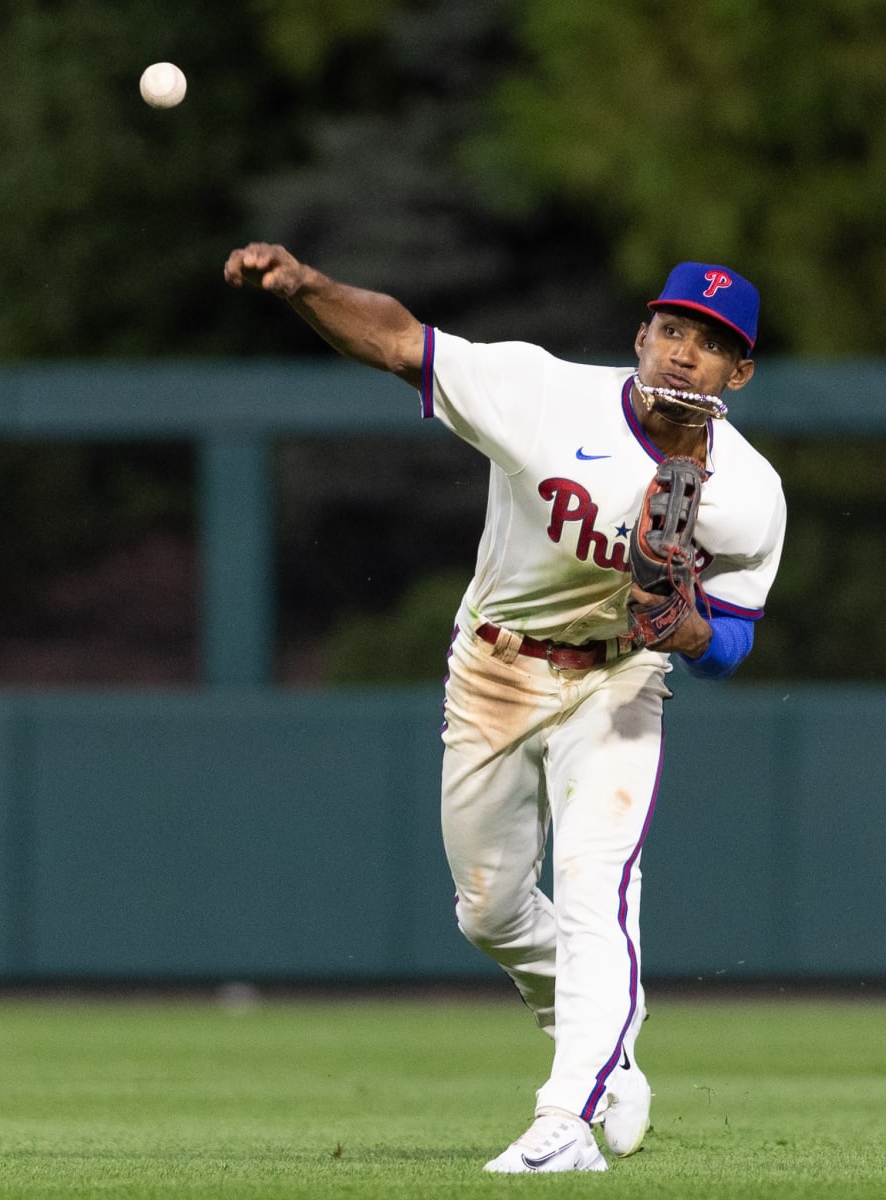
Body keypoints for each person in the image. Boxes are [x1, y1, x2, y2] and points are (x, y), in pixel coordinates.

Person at [224, 245, 786, 1173]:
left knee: (596, 896)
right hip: (495, 666)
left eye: (713, 344)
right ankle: (603, 1033)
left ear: (741, 372)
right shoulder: (544, 395)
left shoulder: (752, 494)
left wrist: (684, 630)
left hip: (619, 680)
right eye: (675, 329)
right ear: (642, 334)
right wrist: (307, 288)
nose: (687, 354)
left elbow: (732, 644)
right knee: (487, 912)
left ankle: (564, 1120)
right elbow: (402, 342)